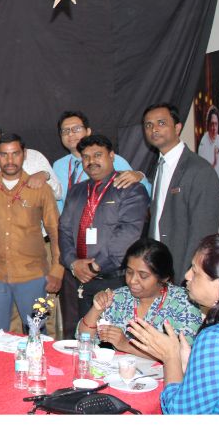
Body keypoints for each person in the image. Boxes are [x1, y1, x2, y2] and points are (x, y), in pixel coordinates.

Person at [52, 112, 150, 338]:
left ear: (112, 156)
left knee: (112, 340)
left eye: (98, 155)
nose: (91, 161)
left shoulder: (130, 189)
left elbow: (128, 234)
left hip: (114, 280)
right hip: (79, 278)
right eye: (86, 157)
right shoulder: (77, 191)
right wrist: (73, 263)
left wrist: (95, 266)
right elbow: (64, 229)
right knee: (79, 338)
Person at [128, 234, 219, 414]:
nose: (187, 275)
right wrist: (189, 364)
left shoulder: (216, 338)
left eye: (195, 272)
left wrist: (170, 357)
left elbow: (180, 414)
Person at [0, 134, 63, 333]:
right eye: (4, 154)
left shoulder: (41, 188)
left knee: (37, 331)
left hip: (33, 275)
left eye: (15, 154)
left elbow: (55, 231)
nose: (10, 160)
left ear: (24, 154)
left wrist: (57, 270)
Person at [77, 238, 203, 357]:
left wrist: (126, 345)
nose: (132, 280)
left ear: (164, 277)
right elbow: (83, 338)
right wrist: (97, 309)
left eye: (143, 275)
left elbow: (183, 354)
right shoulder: (120, 297)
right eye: (129, 272)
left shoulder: (184, 302)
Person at [144, 102, 219, 281]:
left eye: (161, 123)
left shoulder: (200, 170)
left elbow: (203, 233)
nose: (154, 129)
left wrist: (187, 277)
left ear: (177, 128)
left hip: (183, 270)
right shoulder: (159, 166)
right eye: (148, 125)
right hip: (158, 269)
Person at [52, 110, 150, 213]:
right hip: (68, 221)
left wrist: (140, 176)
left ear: (88, 131)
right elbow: (57, 201)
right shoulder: (58, 165)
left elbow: (140, 191)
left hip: (105, 220)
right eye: (65, 130)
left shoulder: (111, 159)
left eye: (76, 129)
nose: (70, 134)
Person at [0, 120, 62, 225]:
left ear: (1, 137)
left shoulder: (33, 157)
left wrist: (45, 175)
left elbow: (58, 194)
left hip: (41, 233)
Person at [198, 106, 219, 184]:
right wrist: (215, 162)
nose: (214, 128)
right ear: (208, 125)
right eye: (212, 124)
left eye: (216, 124)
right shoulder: (203, 142)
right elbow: (203, 172)